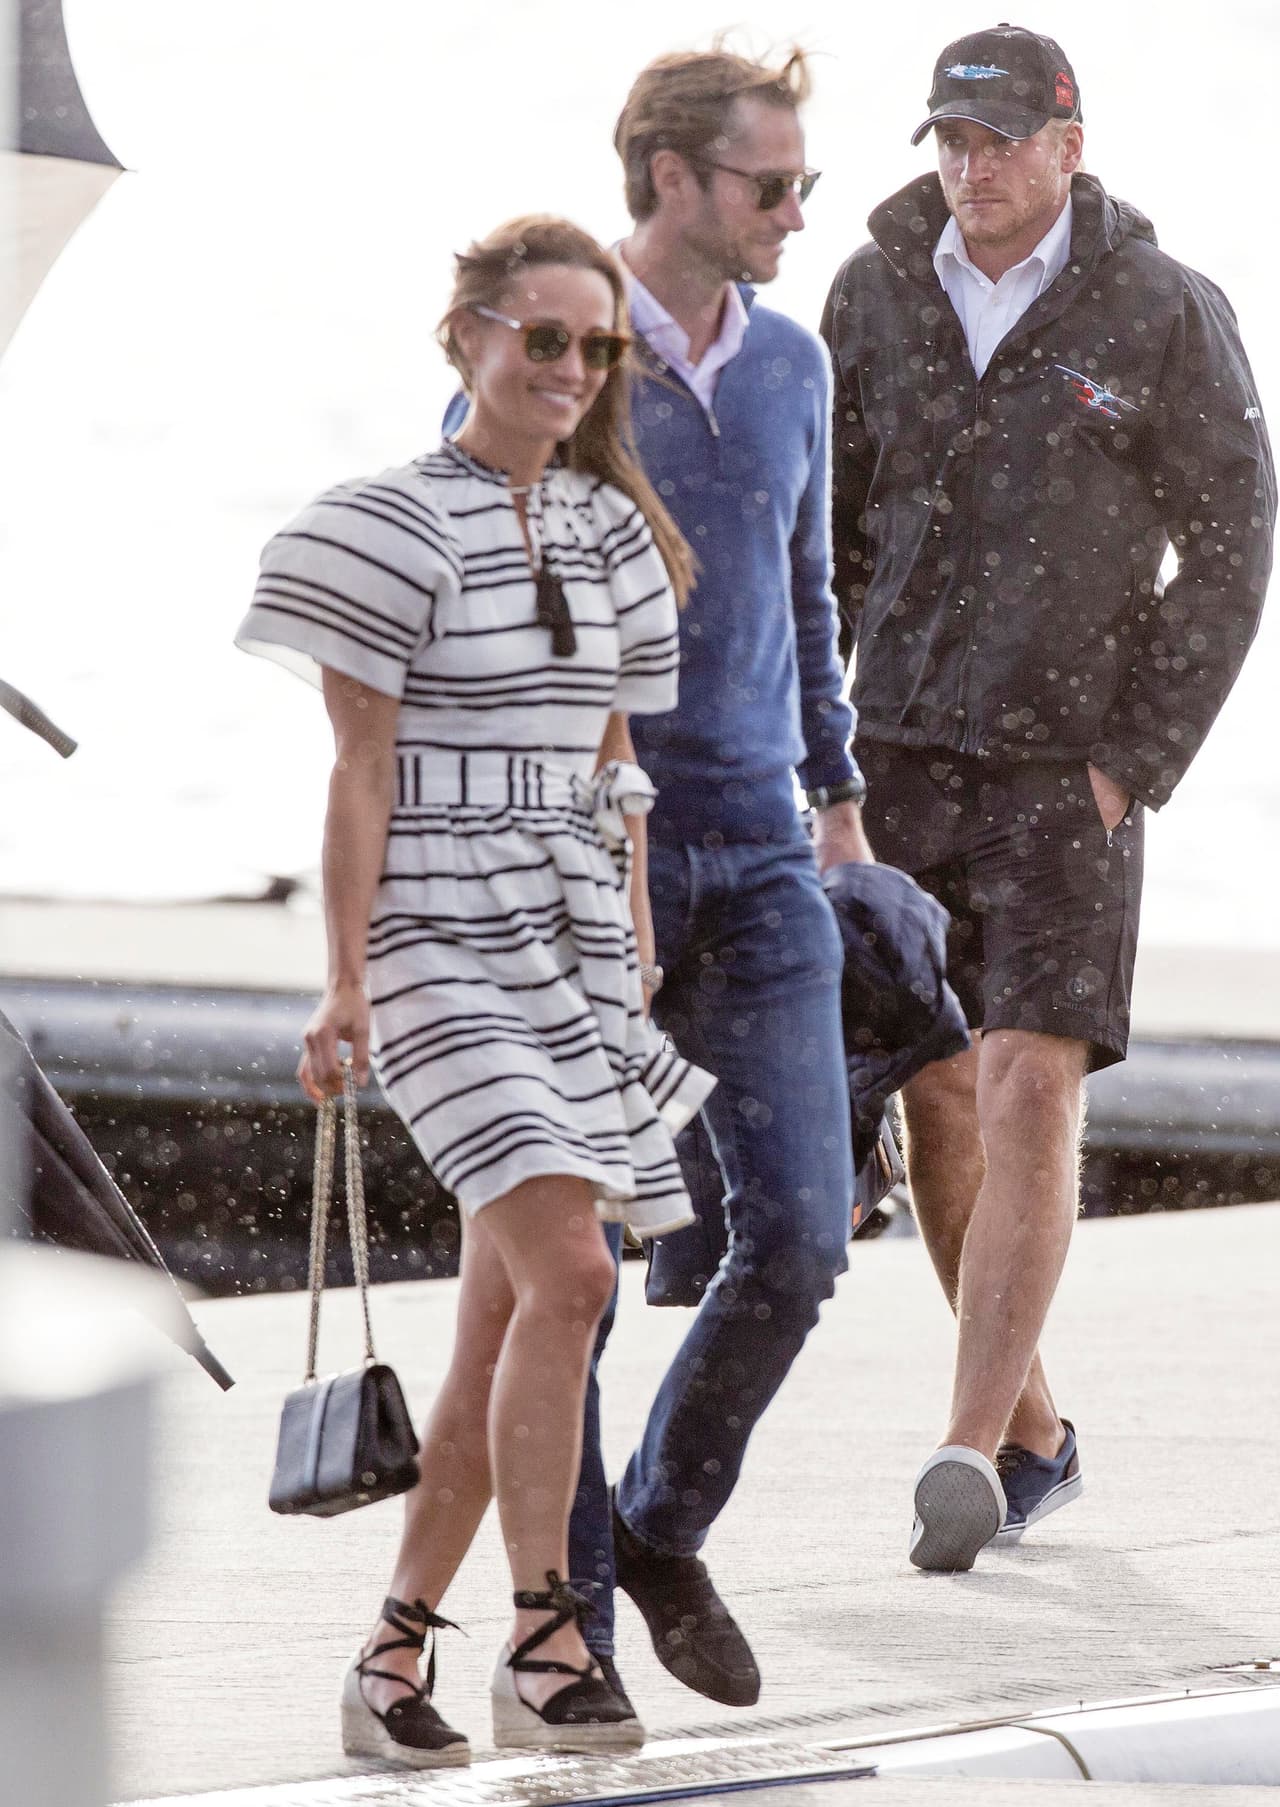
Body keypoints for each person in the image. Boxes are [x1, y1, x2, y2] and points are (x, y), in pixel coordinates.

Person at [236, 215, 716, 1764]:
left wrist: (634, 932)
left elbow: (614, 760)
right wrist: (343, 984)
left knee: (507, 1313)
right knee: (575, 1274)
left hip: (574, 949)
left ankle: (390, 1663)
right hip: (436, 944)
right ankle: (545, 1632)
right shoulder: (375, 529)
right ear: (469, 336)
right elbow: (358, 776)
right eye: (544, 339)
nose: (571, 369)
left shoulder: (616, 538)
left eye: (598, 347)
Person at [821, 24, 1275, 1572]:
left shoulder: (1162, 311)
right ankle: (1031, 1429)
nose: (975, 169)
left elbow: (1234, 545)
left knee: (1028, 1085)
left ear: (1071, 144)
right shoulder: (873, 292)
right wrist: (816, 746)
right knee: (936, 1096)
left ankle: (963, 1447)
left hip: (1063, 774)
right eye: (953, 141)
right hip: (893, 759)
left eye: (1006, 141)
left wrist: (1127, 758)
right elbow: (833, 535)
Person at [565, 44, 868, 1708]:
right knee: (583, 1273)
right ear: (673, 178)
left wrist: (842, 809)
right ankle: (579, 1631)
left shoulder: (794, 365)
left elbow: (809, 591)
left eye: (803, 185)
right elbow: (462, 564)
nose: (796, 215)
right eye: (773, 187)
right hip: (586, 858)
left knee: (805, 1237)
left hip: (763, 853)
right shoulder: (557, 341)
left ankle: (664, 1518)